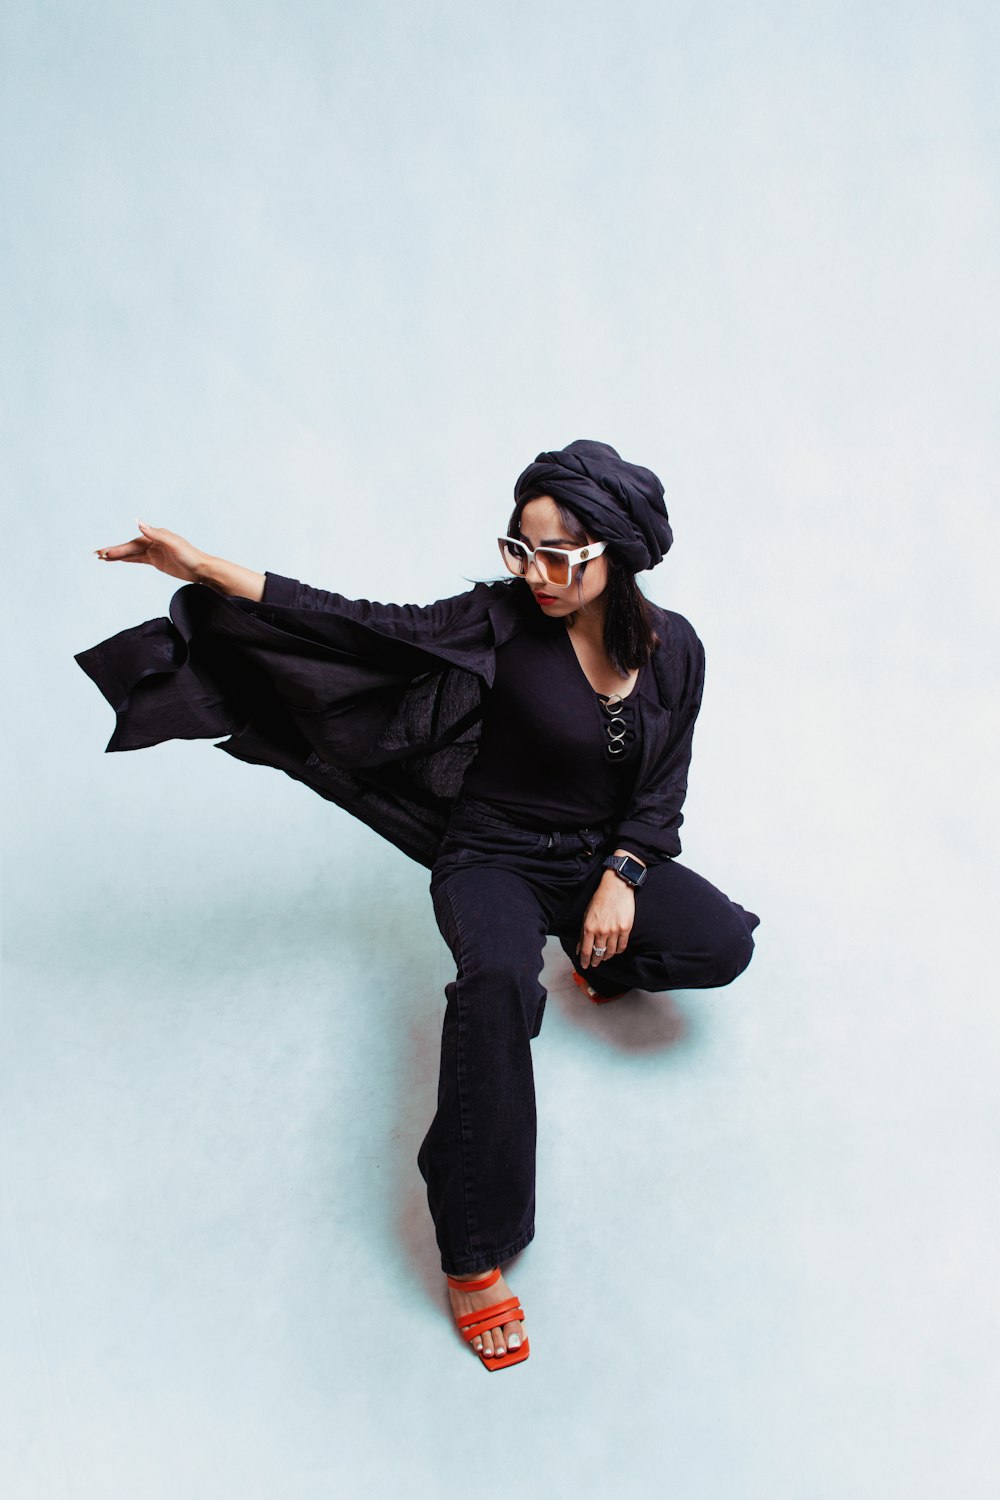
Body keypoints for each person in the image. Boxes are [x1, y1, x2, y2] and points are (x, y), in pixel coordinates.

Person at [79, 438, 759, 1373]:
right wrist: (204, 567)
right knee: (494, 992)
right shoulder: (497, 619)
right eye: (522, 548)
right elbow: (351, 621)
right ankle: (474, 1246)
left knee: (720, 943)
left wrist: (625, 873)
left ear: (620, 552)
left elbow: (660, 791)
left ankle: (600, 959)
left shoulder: (676, 648)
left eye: (560, 555)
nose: (537, 573)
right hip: (493, 858)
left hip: (598, 860)